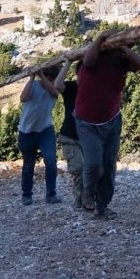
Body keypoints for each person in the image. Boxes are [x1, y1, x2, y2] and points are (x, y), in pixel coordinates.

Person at [74, 32, 140, 220]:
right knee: (94, 164)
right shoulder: (89, 61)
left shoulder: (121, 61)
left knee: (109, 166)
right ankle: (87, 194)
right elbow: (89, 61)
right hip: (87, 122)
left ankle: (102, 205)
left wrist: (122, 46)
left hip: (112, 120)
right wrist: (100, 39)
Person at [18, 61, 70, 206]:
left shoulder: (53, 90)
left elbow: (54, 92)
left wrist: (41, 74)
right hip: (26, 131)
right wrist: (31, 78)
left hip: (45, 130)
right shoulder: (33, 86)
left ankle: (51, 195)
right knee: (28, 165)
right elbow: (23, 98)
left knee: (51, 161)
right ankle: (26, 195)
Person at [57, 74, 83, 209]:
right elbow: (57, 85)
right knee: (79, 168)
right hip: (69, 137)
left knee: (94, 168)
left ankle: (90, 200)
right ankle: (80, 201)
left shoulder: (93, 87)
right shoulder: (71, 87)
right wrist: (68, 61)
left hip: (89, 136)